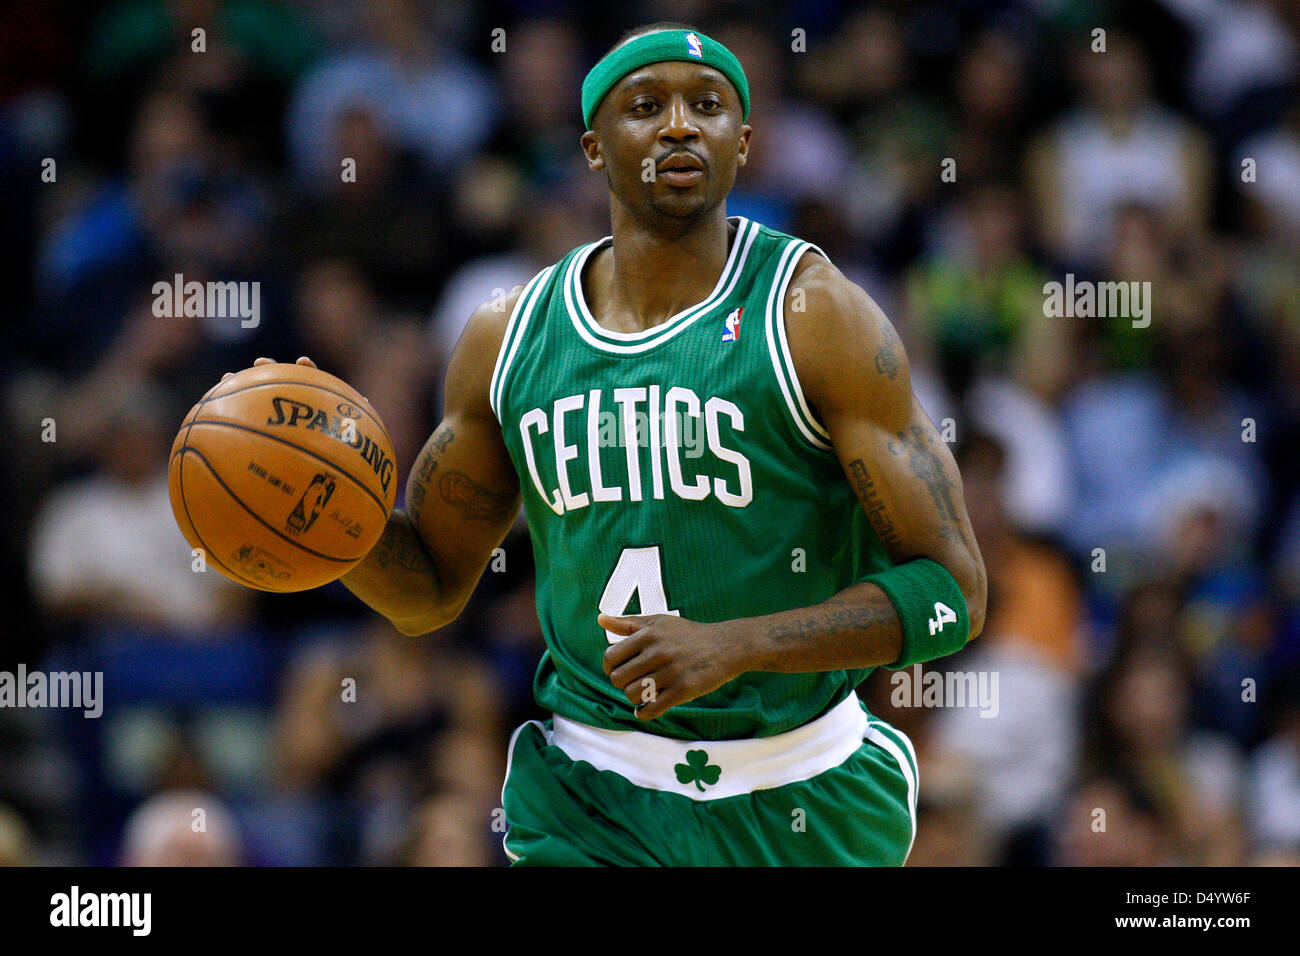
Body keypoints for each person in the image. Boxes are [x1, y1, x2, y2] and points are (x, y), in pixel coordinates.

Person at [237, 23, 986, 866]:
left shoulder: (817, 318)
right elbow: (433, 589)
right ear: (594, 148)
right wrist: (321, 514)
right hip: (591, 797)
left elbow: (951, 595)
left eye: (707, 106)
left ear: (743, 144)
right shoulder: (508, 338)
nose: (678, 126)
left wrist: (736, 644)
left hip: (802, 790)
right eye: (645, 106)